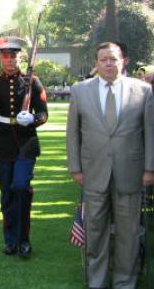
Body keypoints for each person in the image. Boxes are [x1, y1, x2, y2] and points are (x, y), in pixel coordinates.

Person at [67, 42, 154, 289]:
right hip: (93, 173)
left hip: (132, 173)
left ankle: (125, 281)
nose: (108, 63)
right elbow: (73, 133)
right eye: (103, 59)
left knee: (128, 233)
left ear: (122, 61)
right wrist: (75, 168)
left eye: (113, 59)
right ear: (96, 62)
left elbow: (150, 132)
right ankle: (97, 281)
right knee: (95, 231)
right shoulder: (79, 91)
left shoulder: (143, 90)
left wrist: (150, 169)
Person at [0, 37, 48, 258]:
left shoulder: (32, 82)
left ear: (20, 57)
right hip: (3, 145)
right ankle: (10, 240)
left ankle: (24, 239)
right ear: (1, 59)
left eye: (13, 56)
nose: (10, 60)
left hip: (26, 144)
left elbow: (43, 113)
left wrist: (32, 119)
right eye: (5, 56)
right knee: (7, 194)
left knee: (21, 187)